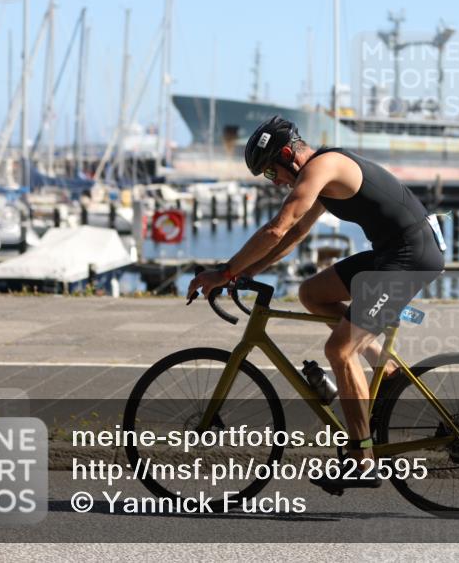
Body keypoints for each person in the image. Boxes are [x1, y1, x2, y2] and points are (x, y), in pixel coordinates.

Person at [187, 115, 445, 491]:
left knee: (339, 350)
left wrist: (224, 272)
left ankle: (362, 460)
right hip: (393, 253)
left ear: (289, 154)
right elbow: (292, 235)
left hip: (410, 257)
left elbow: (278, 225)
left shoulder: (324, 166)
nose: (276, 184)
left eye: (272, 174)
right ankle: (384, 369)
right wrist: (248, 273)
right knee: (312, 293)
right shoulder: (321, 178)